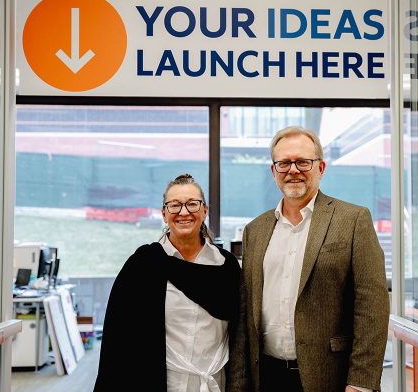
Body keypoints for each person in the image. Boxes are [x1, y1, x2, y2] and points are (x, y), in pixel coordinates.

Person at [228, 127, 390, 392]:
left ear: (321, 167)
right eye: (284, 163)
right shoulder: (255, 230)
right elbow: (246, 315)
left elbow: (372, 308)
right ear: (273, 171)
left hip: (330, 377)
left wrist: (361, 383)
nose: (293, 170)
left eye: (303, 162)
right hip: (266, 377)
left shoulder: (352, 220)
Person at [94, 174, 241, 392]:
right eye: (175, 205)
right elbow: (118, 340)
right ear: (164, 214)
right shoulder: (143, 265)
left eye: (192, 204)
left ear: (204, 211)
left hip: (215, 384)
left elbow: (240, 334)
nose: (184, 212)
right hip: (161, 383)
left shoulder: (225, 266)